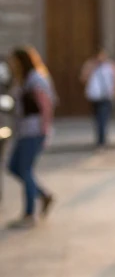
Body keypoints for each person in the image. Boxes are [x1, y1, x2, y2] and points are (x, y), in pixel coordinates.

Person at [7, 47, 56, 229]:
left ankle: (29, 214)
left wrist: (44, 132)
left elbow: (46, 107)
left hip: (34, 131)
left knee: (25, 170)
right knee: (13, 167)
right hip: (23, 131)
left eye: (14, 61)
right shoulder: (23, 79)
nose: (11, 65)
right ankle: (43, 195)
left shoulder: (36, 79)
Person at [80, 49, 115, 147]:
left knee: (103, 117)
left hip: (107, 96)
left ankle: (101, 140)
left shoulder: (111, 66)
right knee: (98, 118)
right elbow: (83, 78)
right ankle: (100, 138)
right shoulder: (91, 65)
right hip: (95, 96)